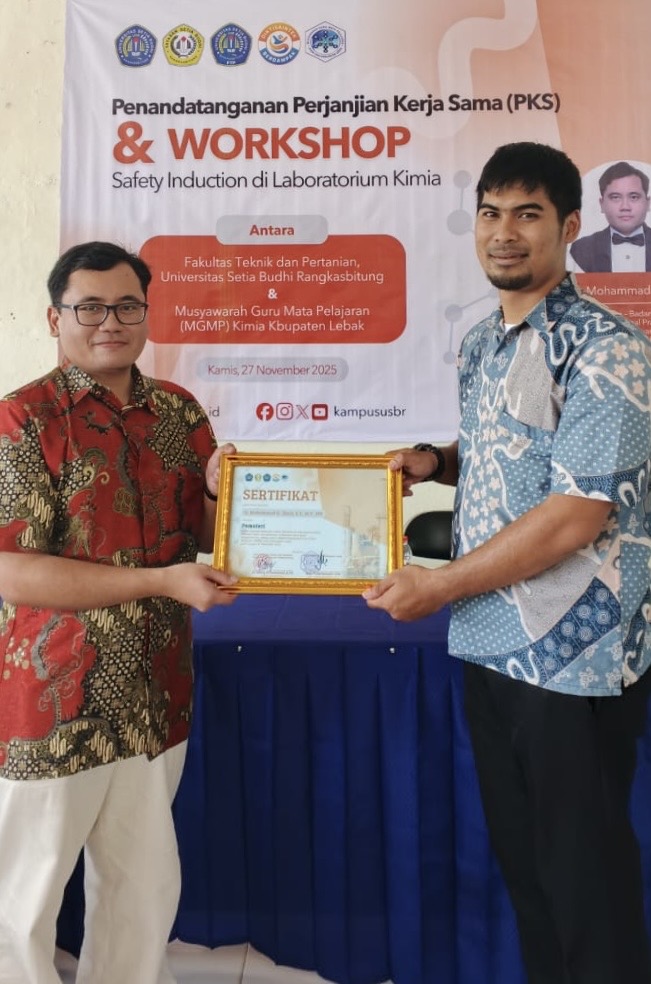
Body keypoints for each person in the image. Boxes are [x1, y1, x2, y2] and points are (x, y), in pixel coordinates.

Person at [364, 142, 651, 984]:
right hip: (490, 642)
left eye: (527, 214)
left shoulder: (606, 348)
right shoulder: (485, 341)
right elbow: (515, 453)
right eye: (490, 213)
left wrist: (440, 585)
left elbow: (574, 513)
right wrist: (435, 461)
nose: (503, 232)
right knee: (528, 872)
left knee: (583, 881)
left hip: (573, 659)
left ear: (568, 226)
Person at [0, 241, 239, 984]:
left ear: (146, 312)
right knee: (23, 901)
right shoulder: (22, 420)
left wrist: (216, 494)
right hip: (53, 699)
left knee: (141, 889)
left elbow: (209, 537)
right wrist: (162, 582)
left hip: (157, 692)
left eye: (127, 305)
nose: (111, 322)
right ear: (55, 318)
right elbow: (13, 570)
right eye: (90, 307)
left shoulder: (178, 411)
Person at [570, 160, 651, 272]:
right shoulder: (581, 249)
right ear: (602, 204)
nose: (625, 207)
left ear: (648, 203)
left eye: (634, 197)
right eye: (615, 197)